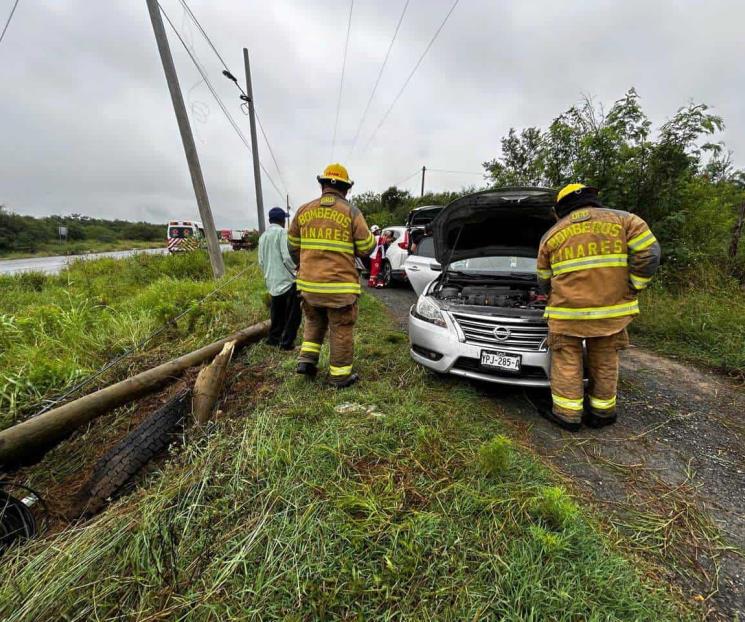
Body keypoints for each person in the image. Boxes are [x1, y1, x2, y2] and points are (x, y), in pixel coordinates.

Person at [536, 183, 661, 431]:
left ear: (560, 208)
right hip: (611, 312)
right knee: (605, 358)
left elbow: (543, 277)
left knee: (567, 360)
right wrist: (634, 285)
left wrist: (551, 295)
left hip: (567, 314)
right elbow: (650, 254)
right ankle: (602, 413)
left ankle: (567, 416)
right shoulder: (627, 221)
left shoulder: (552, 234)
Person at [287, 163, 375, 388]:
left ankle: (307, 361)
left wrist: (305, 266)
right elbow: (367, 247)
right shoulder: (351, 212)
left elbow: (293, 245)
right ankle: (339, 377)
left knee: (314, 321)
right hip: (340, 289)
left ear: (323, 185)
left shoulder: (304, 211)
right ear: (345, 188)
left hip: (308, 286)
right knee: (341, 329)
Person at [257, 206, 302, 350]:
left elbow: (261, 261)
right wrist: (296, 270)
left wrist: (268, 274)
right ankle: (287, 343)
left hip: (272, 280)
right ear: (282, 220)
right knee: (293, 314)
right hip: (287, 280)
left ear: (270, 220)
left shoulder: (263, 236)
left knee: (276, 312)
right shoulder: (282, 233)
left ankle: (274, 339)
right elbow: (287, 256)